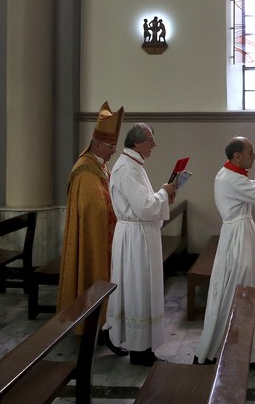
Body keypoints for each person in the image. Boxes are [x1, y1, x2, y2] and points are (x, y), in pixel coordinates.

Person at [194, 137, 255, 368]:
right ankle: (216, 350)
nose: (254, 156)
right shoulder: (231, 179)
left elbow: (253, 189)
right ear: (237, 156)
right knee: (239, 294)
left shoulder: (230, 175)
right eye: (250, 153)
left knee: (246, 293)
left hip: (239, 237)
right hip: (237, 240)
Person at [56, 100, 128, 357]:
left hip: (107, 235)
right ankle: (95, 326)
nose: (113, 151)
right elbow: (94, 210)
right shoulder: (85, 170)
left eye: (115, 147)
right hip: (95, 240)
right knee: (94, 274)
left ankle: (106, 326)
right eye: (110, 147)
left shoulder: (100, 164)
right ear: (97, 144)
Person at [106, 123, 177, 366]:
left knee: (143, 290)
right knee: (139, 292)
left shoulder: (133, 165)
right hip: (135, 239)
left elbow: (145, 202)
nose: (154, 145)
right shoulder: (127, 169)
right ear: (137, 142)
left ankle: (142, 346)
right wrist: (164, 192)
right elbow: (145, 207)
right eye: (150, 140)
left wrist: (164, 194)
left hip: (139, 235)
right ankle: (140, 350)